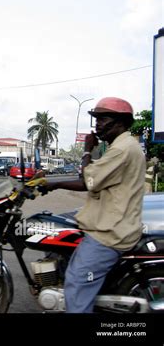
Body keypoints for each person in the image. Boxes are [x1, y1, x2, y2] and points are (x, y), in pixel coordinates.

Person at [42, 97, 145, 313]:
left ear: (120, 122)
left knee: (77, 281)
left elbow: (88, 179)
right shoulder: (123, 146)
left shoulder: (121, 150)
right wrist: (54, 183)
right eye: (96, 119)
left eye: (102, 118)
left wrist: (87, 151)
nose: (97, 124)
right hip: (114, 223)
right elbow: (96, 177)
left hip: (109, 233)